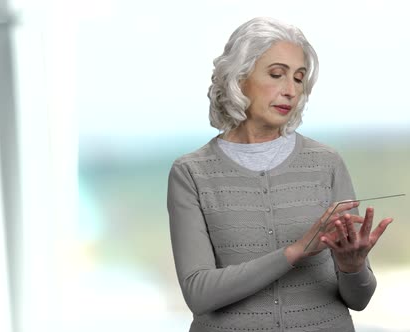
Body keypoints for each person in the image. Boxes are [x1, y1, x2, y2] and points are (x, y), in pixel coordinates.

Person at [167, 17, 394, 332]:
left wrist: (352, 267)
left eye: (299, 79)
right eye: (276, 75)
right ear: (238, 77)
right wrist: (295, 250)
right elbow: (199, 294)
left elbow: (359, 299)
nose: (290, 90)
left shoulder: (327, 163)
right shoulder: (190, 173)